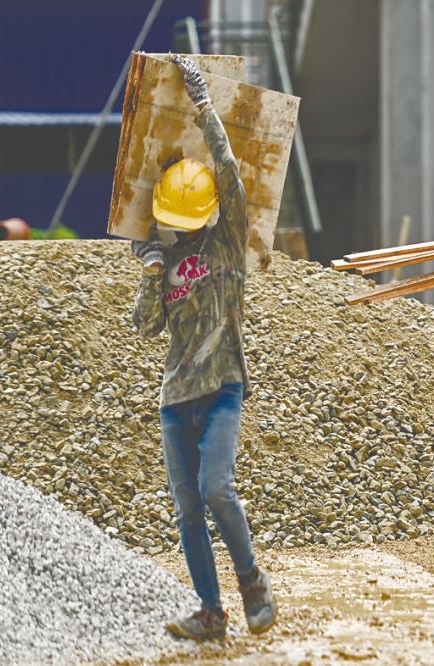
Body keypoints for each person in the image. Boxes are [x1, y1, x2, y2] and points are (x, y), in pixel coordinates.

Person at [130, 54, 277, 640]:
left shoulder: (226, 244)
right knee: (188, 510)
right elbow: (144, 328)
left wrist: (203, 103)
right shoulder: (164, 263)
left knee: (218, 487)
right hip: (175, 398)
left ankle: (252, 583)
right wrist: (148, 269)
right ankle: (210, 613)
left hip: (221, 390)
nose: (182, 230)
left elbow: (232, 174)